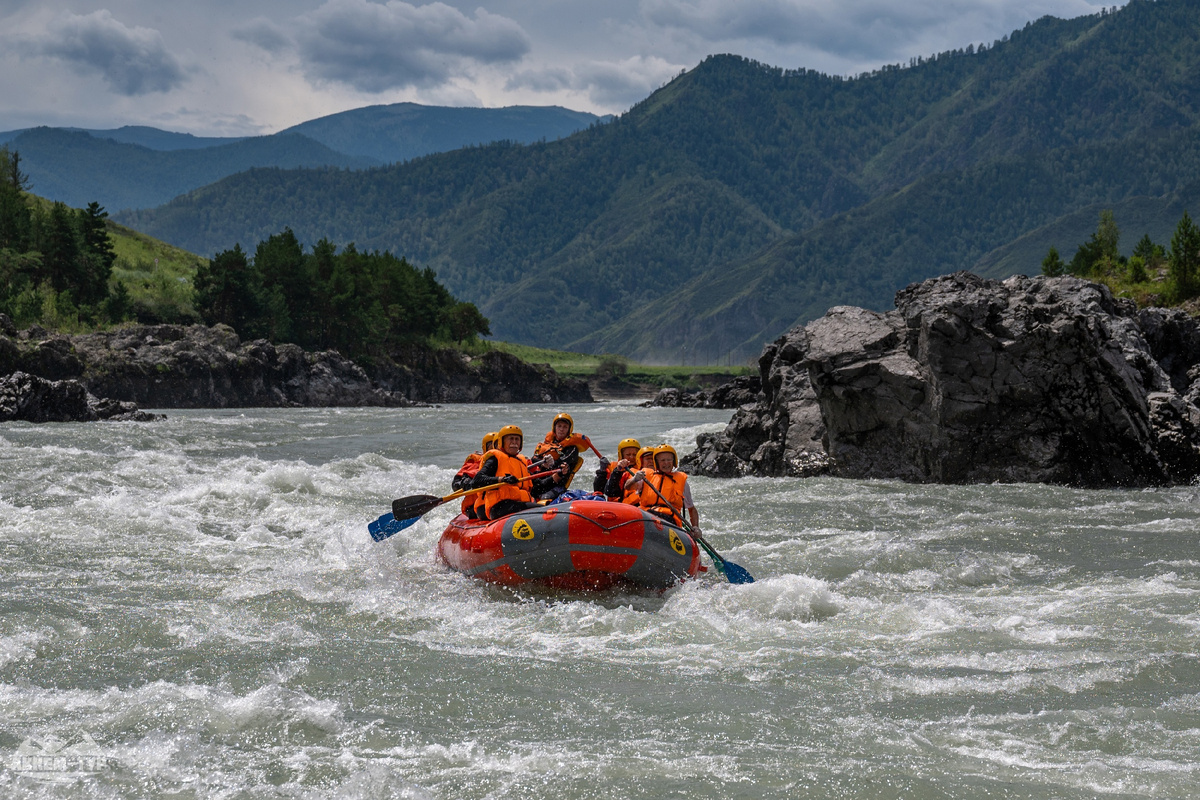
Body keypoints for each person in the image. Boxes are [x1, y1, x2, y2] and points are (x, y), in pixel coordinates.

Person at [470, 425, 563, 519]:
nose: (514, 443)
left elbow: (538, 487)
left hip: (517, 505)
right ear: (502, 442)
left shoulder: (521, 462)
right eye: (511, 439)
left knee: (543, 508)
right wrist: (502, 479)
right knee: (543, 511)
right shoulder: (495, 459)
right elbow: (476, 481)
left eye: (517, 439)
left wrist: (557, 476)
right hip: (500, 507)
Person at [630, 444, 700, 532]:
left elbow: (691, 508)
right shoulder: (645, 476)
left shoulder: (681, 480)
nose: (666, 463)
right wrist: (634, 479)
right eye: (662, 460)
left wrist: (696, 527)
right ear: (657, 462)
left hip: (669, 520)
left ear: (674, 461)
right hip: (646, 515)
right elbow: (628, 486)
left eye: (669, 460)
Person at [533, 412, 591, 498]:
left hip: (557, 485)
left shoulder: (572, 449)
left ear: (569, 430)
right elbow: (533, 459)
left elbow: (561, 465)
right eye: (559, 426)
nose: (561, 429)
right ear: (554, 428)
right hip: (540, 481)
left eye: (565, 427)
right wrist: (543, 463)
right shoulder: (547, 445)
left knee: (545, 498)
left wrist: (550, 464)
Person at [451, 431, 496, 519]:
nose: (494, 450)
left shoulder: (510, 461)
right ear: (485, 448)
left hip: (498, 502)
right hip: (475, 507)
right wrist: (466, 483)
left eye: (497, 446)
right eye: (492, 447)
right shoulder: (476, 462)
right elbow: (456, 484)